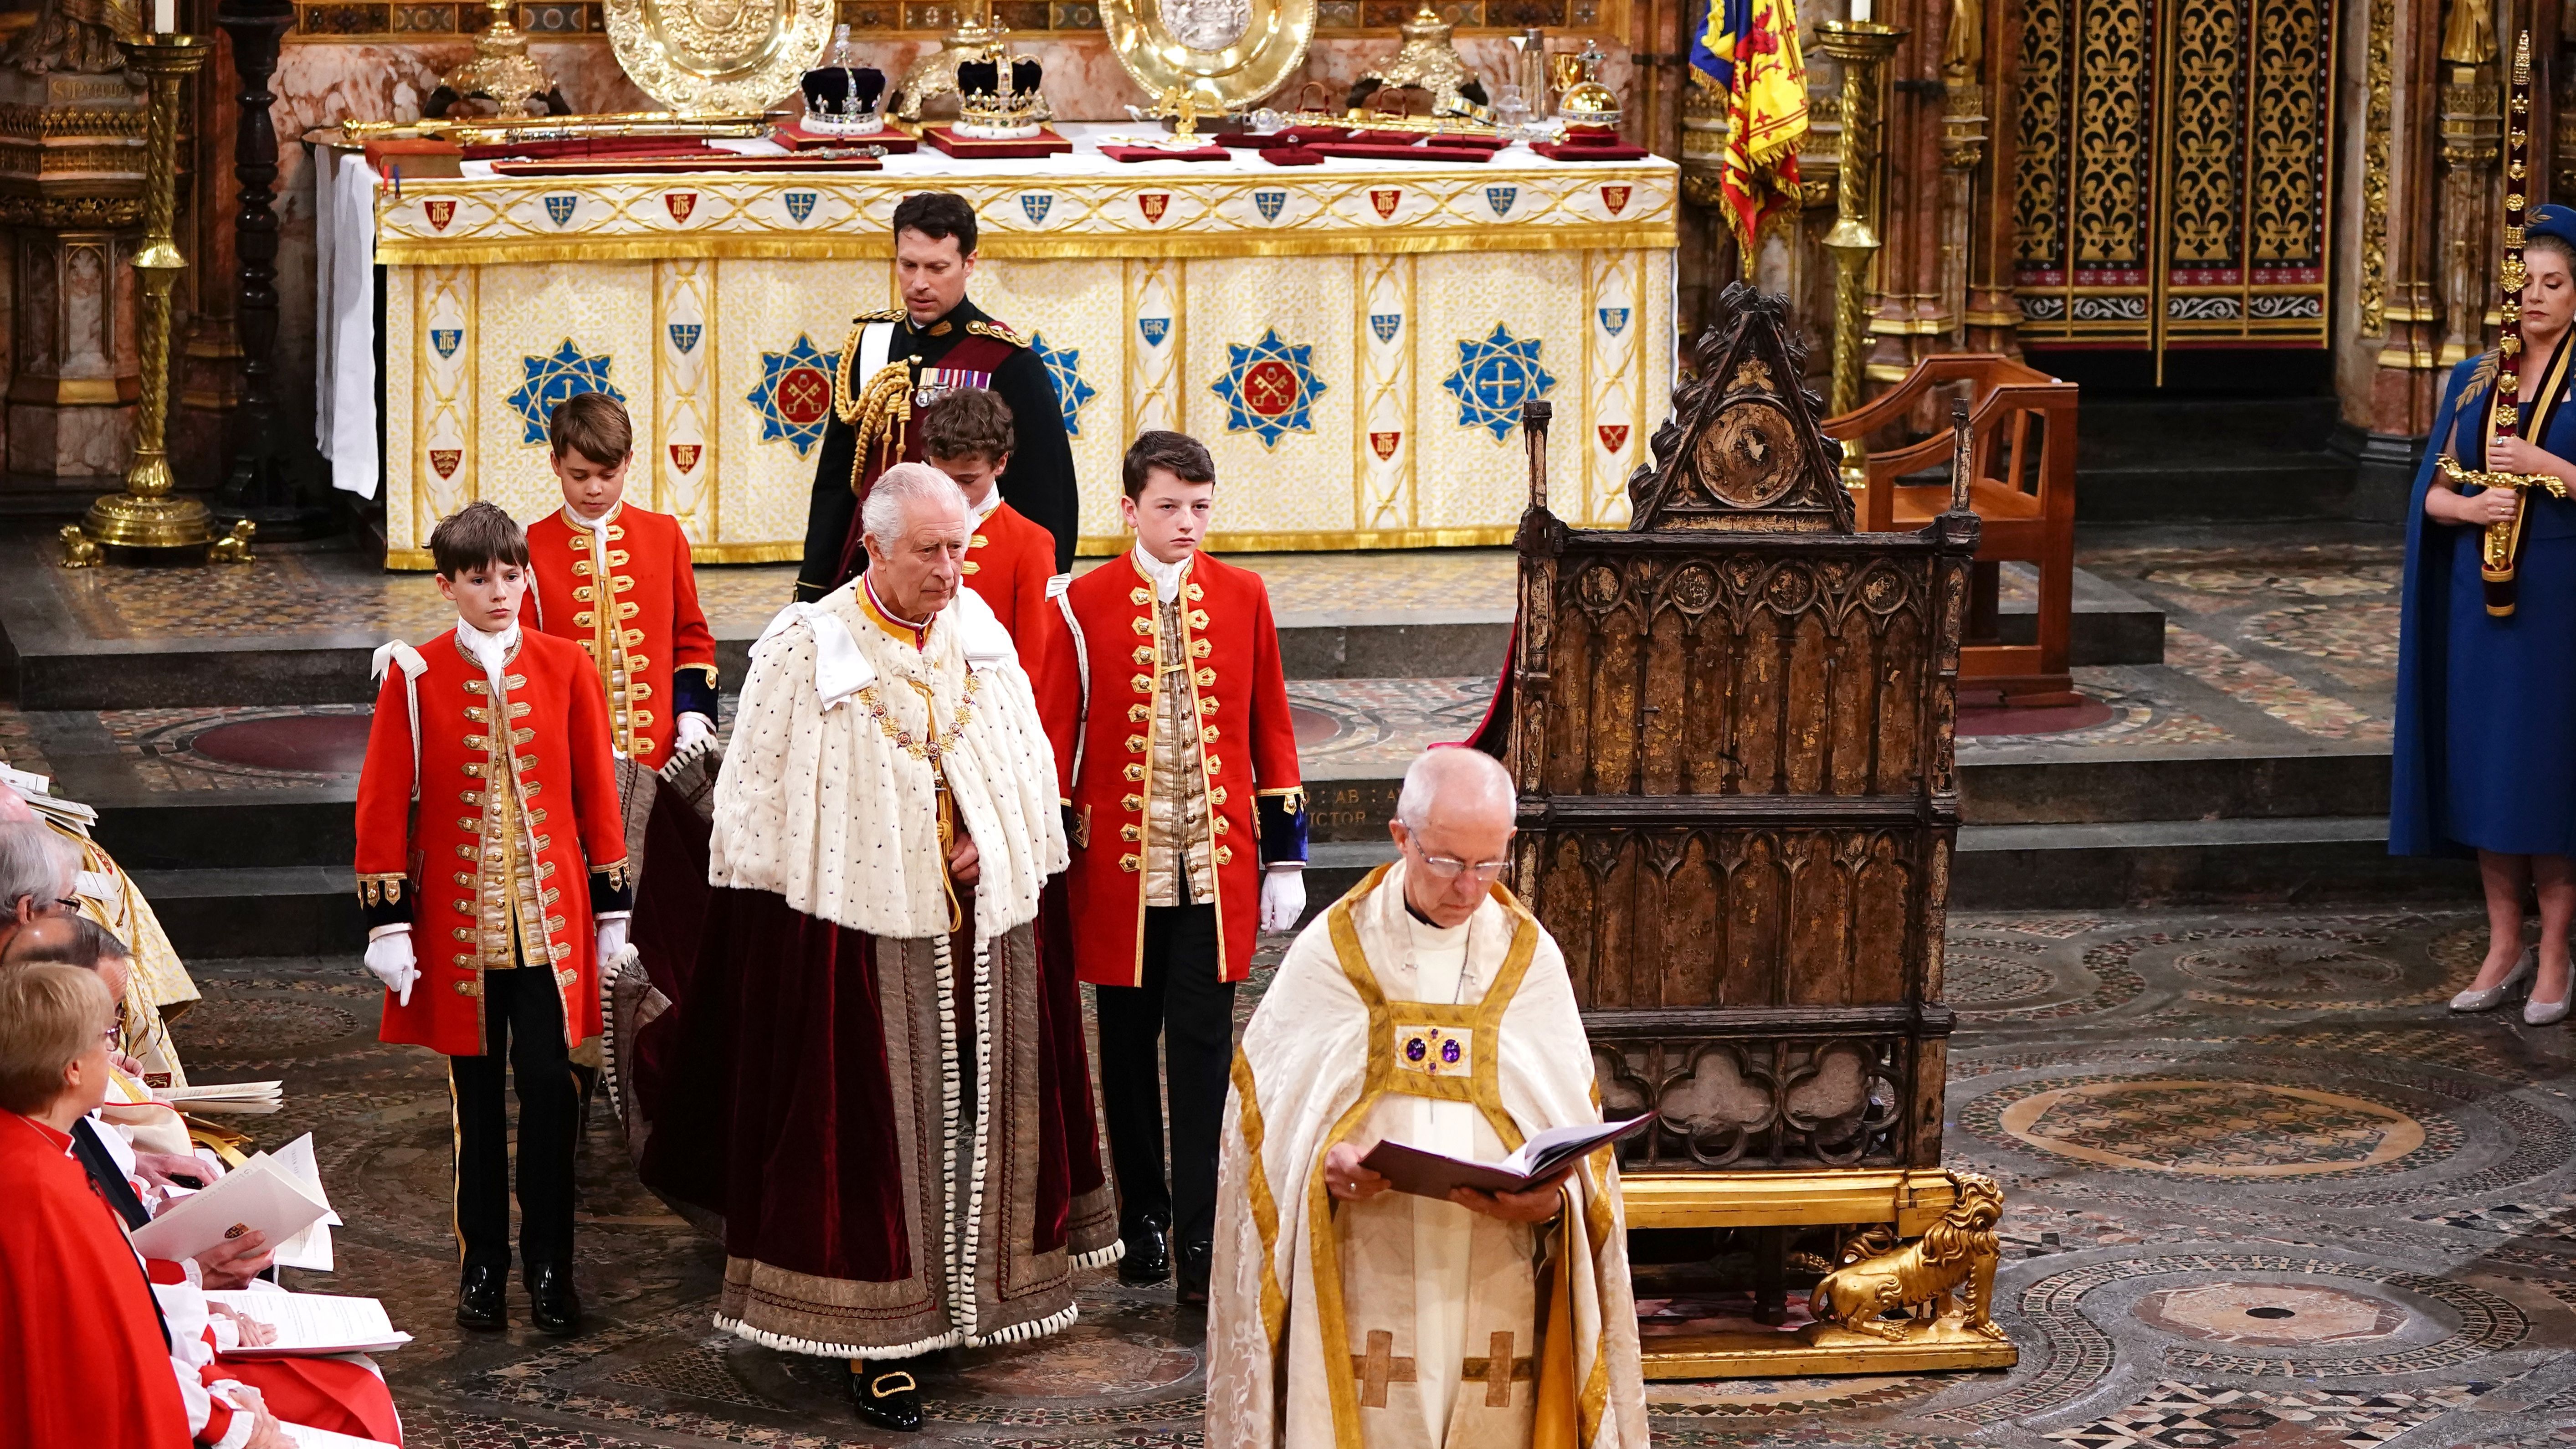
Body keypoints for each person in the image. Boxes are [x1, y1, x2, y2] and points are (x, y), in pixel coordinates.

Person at [638, 462, 1115, 1433]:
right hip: (847, 945)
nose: (952, 570)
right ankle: (870, 1332)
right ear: (874, 547)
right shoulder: (801, 650)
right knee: (868, 1146)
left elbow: (1023, 773)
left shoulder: (978, 634)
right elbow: (762, 815)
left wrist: (995, 830)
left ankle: (966, 1303)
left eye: (960, 548)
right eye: (932, 552)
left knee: (971, 1126)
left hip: (975, 936)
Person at [1205, 748, 1647, 1448]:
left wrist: (1554, 1203)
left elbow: (1576, 1150)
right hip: (1364, 1265)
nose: (1468, 889)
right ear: (1400, 836)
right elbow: (1267, 1129)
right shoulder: (1333, 953)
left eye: (1488, 864)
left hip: (1498, 1265)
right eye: (1444, 862)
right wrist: (1324, 1166)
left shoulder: (1528, 961)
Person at [1035, 430, 1309, 1305]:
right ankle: (1140, 1217)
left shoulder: (1243, 594)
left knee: (1200, 1056)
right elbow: (1055, 736)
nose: (1187, 524)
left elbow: (1270, 725)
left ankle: (1198, 1228)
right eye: (1168, 508)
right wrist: (1045, 855)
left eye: (1199, 507)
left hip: (1215, 877)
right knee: (1122, 1051)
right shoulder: (1080, 603)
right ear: (1128, 510)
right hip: (1118, 880)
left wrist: (1283, 859)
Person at [353, 501, 634, 1335]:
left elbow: (595, 791)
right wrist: (388, 923)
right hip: (458, 934)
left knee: (552, 1089)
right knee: (474, 1104)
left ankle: (552, 1264)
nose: (500, 591)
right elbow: (380, 804)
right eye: (479, 579)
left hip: (550, 932)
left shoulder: (566, 665)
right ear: (446, 587)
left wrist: (613, 911)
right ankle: (483, 1264)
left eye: (511, 575)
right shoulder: (415, 675)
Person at [2395, 201, 2576, 1028]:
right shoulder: (2472, 378)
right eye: (2522, 284)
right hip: (2482, 605)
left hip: (2559, 602)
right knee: (2489, 775)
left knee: (2546, 776)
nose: (2533, 297)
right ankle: (2501, 944)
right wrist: (2466, 512)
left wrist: (2546, 465)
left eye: (2551, 283)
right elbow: (2429, 491)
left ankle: (2555, 954)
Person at [795, 189, 1079, 600]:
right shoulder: (870, 344)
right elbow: (838, 481)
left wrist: (1043, 594)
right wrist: (813, 585)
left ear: (969, 264)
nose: (920, 283)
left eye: (937, 267)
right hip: (869, 566)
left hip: (963, 576)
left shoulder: (1008, 361)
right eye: (908, 265)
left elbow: (1046, 495)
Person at [0, 962, 216, 1449]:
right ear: (72, 1068)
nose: (114, 1056)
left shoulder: (35, 1148)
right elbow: (120, 1356)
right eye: (106, 1038)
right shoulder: (46, 1191)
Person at [525, 391, 722, 767]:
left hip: (660, 758)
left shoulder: (664, 535)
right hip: (572, 759)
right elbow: (527, 661)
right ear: (555, 463)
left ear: (629, 461)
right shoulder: (530, 547)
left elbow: (692, 638)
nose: (595, 489)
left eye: (608, 474)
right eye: (579, 476)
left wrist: (693, 717)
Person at [922, 385, 1059, 669]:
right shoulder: (908, 528)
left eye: (967, 480)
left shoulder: (1030, 542)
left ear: (1001, 463)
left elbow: (1039, 661)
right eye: (940, 477)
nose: (951, 492)